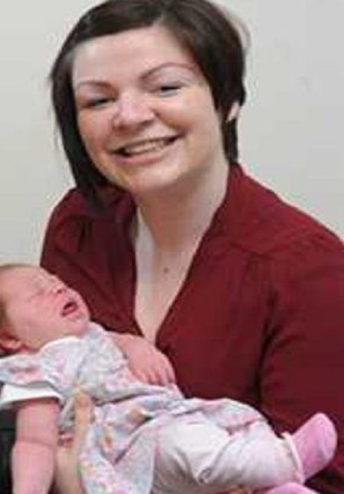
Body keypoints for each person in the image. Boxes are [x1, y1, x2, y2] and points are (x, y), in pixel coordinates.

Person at [42, 0, 344, 492]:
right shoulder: (78, 227)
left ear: (228, 99)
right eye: (98, 100)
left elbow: (321, 478)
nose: (129, 116)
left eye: (165, 87)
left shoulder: (308, 270)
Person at [0, 263, 338, 494]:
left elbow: (115, 339)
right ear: (7, 338)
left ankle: (273, 486)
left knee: (236, 420)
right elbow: (36, 438)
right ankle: (284, 461)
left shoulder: (93, 334)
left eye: (56, 281)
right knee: (185, 446)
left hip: (168, 414)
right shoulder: (31, 369)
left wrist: (135, 346)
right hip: (130, 448)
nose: (58, 287)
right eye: (38, 293)